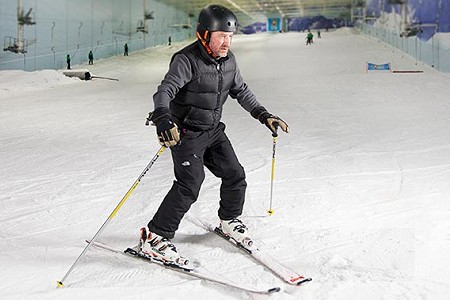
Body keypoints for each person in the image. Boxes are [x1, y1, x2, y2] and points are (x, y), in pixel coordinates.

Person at [140, 4, 289, 266]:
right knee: (190, 183)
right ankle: (155, 236)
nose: (226, 42)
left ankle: (229, 220)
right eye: (221, 36)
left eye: (230, 37)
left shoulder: (229, 61)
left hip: (213, 130)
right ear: (204, 34)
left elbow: (241, 91)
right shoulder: (186, 60)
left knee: (234, 173)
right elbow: (165, 90)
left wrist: (263, 114)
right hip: (185, 133)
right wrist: (162, 116)